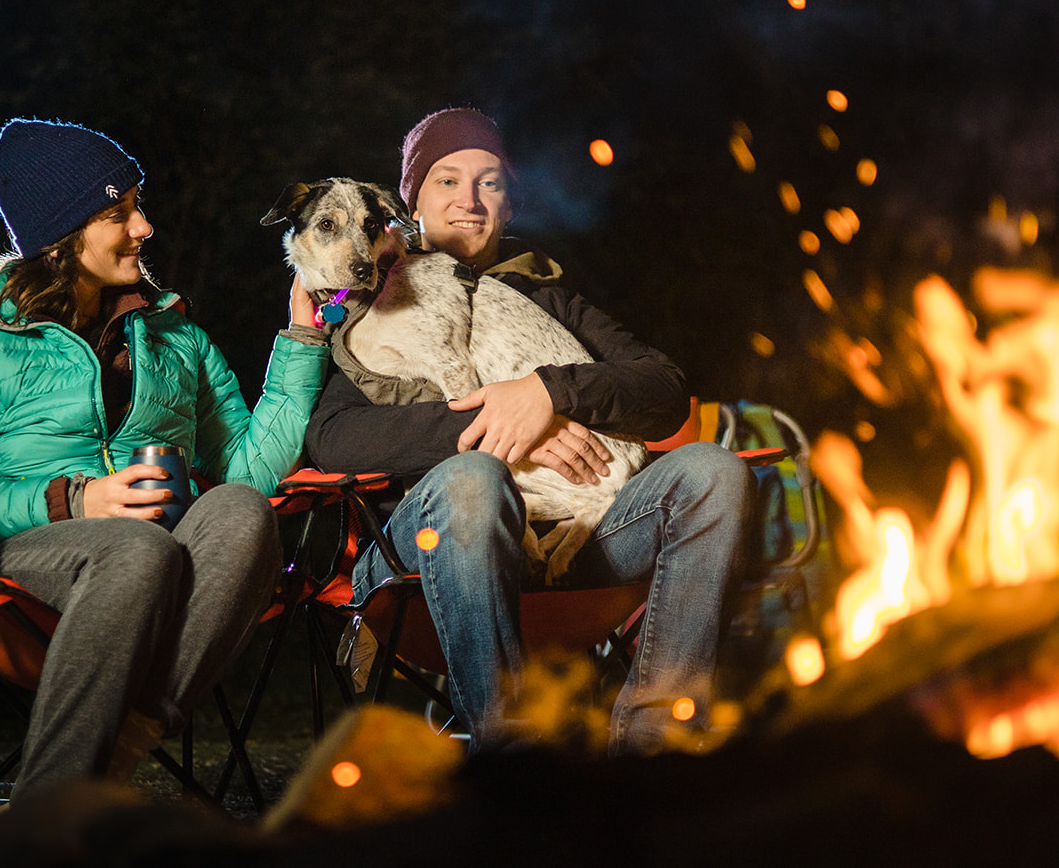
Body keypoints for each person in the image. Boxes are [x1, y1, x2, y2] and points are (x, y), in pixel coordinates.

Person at [305, 107, 754, 754]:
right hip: (428, 549)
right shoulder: (376, 294)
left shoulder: (549, 298)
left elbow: (663, 387)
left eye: (490, 182)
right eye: (447, 180)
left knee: (716, 471)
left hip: (583, 542)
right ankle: (515, 753)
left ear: (509, 206)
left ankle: (658, 744)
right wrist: (501, 425)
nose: (469, 199)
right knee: (473, 478)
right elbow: (336, 436)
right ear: (408, 207)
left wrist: (548, 392)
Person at [0, 118, 328, 799]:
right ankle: (51, 802)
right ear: (62, 235)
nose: (144, 227)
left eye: (138, 206)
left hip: (165, 556)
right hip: (24, 554)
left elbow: (246, 473)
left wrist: (302, 342)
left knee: (243, 510)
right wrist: (77, 499)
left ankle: (120, 745)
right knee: (135, 550)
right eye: (118, 212)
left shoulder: (175, 335)